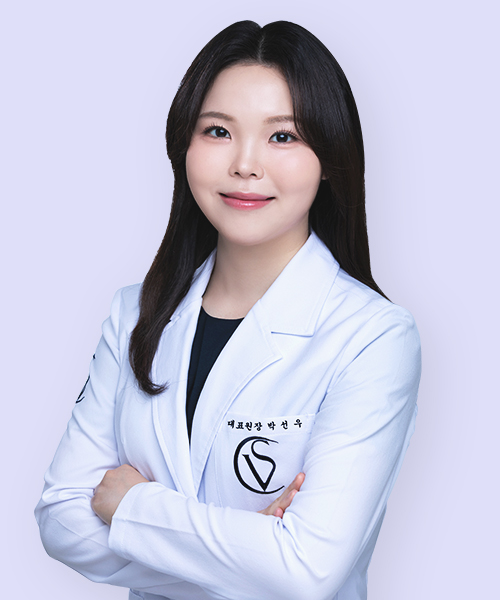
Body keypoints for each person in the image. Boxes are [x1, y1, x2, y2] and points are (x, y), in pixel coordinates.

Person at [35, 20, 421, 600]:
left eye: (282, 136)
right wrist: (246, 555)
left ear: (330, 157)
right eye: (218, 130)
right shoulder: (134, 314)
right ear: (183, 146)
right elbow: (61, 518)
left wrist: (132, 507)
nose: (245, 164)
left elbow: (306, 572)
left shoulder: (374, 337)